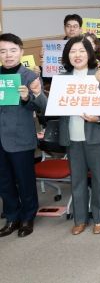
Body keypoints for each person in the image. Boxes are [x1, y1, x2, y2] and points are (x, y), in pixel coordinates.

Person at [58, 37, 100, 235]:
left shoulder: (99, 75)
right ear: (67, 55)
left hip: (96, 135)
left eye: (82, 51)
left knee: (99, 179)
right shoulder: (62, 78)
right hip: (72, 136)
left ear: (90, 54)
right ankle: (80, 219)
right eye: (72, 51)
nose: (77, 55)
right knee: (77, 180)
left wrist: (99, 117)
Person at [0, 33, 47, 238]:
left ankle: (28, 217)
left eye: (12, 50)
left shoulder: (29, 76)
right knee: (4, 181)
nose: (8, 55)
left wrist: (28, 97)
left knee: (25, 179)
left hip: (20, 137)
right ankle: (12, 217)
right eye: (3, 51)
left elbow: (43, 106)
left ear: (21, 51)